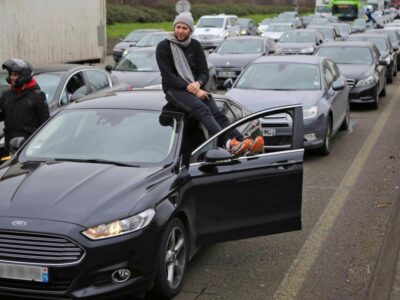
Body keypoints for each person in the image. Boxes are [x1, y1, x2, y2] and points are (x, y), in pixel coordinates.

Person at [156, 12, 263, 157]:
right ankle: (228, 144)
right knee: (202, 109)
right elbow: (168, 76)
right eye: (178, 27)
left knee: (218, 114)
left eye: (184, 28)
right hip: (175, 89)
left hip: (197, 88)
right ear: (174, 27)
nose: (180, 31)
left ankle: (242, 142)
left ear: (190, 30)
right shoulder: (164, 47)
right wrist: (193, 88)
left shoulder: (195, 45)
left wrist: (199, 84)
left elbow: (204, 73)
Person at [0, 58, 50, 155]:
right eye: (11, 74)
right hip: (11, 147)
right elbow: (2, 114)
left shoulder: (37, 96)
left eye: (15, 75)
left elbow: (45, 125)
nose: (12, 77)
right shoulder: (6, 95)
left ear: (24, 76)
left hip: (30, 148)